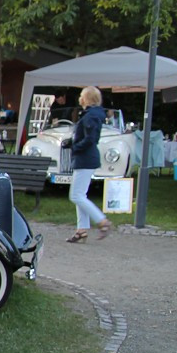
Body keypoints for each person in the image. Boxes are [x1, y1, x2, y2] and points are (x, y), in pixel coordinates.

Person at [66, 86, 112, 242]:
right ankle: (82, 229)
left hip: (85, 158)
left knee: (76, 195)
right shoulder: (92, 115)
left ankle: (101, 220)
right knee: (80, 194)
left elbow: (91, 139)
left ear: (86, 98)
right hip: (85, 157)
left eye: (82, 95)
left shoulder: (91, 116)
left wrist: (74, 146)